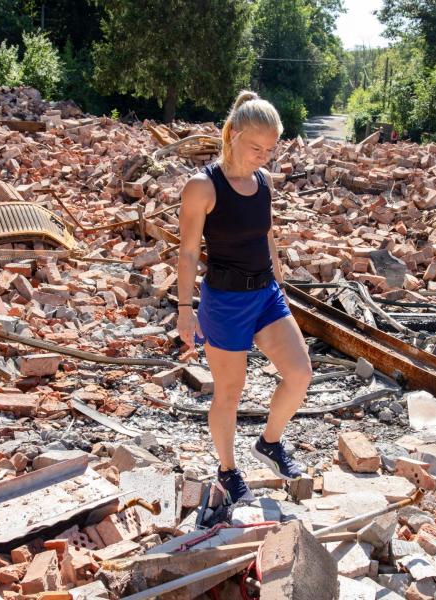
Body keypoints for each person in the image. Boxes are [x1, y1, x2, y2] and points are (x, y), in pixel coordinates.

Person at [176, 90, 313, 504]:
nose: (263, 157)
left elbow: (267, 234)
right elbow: (186, 252)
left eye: (270, 150)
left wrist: (280, 283)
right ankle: (228, 470)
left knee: (300, 374)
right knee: (229, 393)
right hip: (226, 302)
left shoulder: (264, 182)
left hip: (265, 294)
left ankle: (269, 442)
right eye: (256, 148)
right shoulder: (202, 187)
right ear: (233, 134)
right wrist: (185, 309)